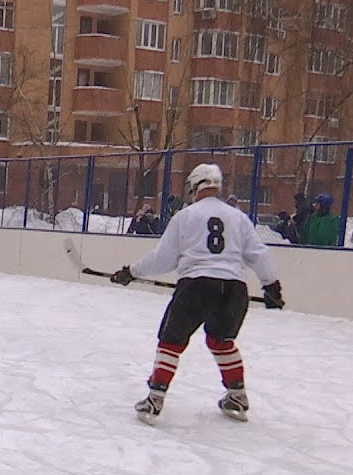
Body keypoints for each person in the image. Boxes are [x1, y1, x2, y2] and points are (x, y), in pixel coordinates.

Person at [109, 163, 284, 424]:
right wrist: (271, 287)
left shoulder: (186, 216)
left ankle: (155, 398)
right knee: (221, 340)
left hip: (196, 285)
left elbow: (164, 258)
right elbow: (258, 255)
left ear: (195, 186)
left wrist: (131, 272)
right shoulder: (238, 217)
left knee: (171, 340)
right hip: (234, 288)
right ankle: (237, 395)